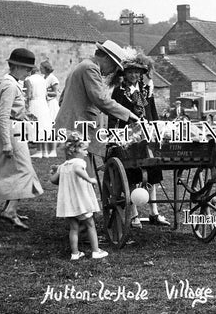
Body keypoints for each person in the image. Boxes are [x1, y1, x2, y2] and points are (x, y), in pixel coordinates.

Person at [55, 40, 140, 171]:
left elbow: (62, 100)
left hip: (71, 126)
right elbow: (101, 99)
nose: (112, 71)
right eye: (113, 66)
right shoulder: (90, 68)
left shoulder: (80, 67)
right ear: (106, 58)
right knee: (82, 173)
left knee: (77, 170)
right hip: (78, 129)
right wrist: (128, 114)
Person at [108, 51, 170, 228]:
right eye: (131, 72)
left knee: (153, 172)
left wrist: (158, 128)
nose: (134, 75)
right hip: (128, 137)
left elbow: (152, 112)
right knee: (133, 174)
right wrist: (114, 136)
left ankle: (154, 213)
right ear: (124, 74)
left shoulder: (146, 90)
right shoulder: (119, 92)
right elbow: (113, 115)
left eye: (138, 72)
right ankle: (134, 214)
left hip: (148, 135)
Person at [0, 48, 44, 230]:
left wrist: (26, 116)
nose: (29, 73)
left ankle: (9, 208)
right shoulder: (10, 85)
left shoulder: (12, 83)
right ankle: (10, 210)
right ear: (17, 67)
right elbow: (3, 115)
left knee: (16, 171)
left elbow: (12, 112)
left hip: (15, 129)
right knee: (24, 171)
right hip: (10, 132)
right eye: (27, 69)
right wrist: (6, 143)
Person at [50, 132, 108, 260]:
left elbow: (54, 180)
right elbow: (77, 170)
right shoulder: (79, 162)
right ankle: (95, 251)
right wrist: (89, 179)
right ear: (75, 150)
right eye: (85, 150)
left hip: (68, 203)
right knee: (90, 224)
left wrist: (53, 172)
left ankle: (75, 253)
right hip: (81, 201)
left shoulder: (63, 166)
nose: (86, 153)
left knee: (73, 228)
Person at [25, 66, 52, 158]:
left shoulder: (28, 80)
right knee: (43, 125)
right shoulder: (43, 79)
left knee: (36, 126)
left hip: (34, 103)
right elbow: (45, 94)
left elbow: (28, 95)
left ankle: (39, 151)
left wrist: (26, 105)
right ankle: (45, 151)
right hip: (43, 104)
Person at [41, 60, 60, 157]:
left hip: (51, 104)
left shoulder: (53, 78)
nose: (40, 69)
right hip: (45, 104)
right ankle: (45, 150)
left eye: (41, 67)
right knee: (45, 126)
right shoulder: (43, 78)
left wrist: (45, 93)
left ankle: (53, 150)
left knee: (52, 127)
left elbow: (56, 93)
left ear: (45, 68)